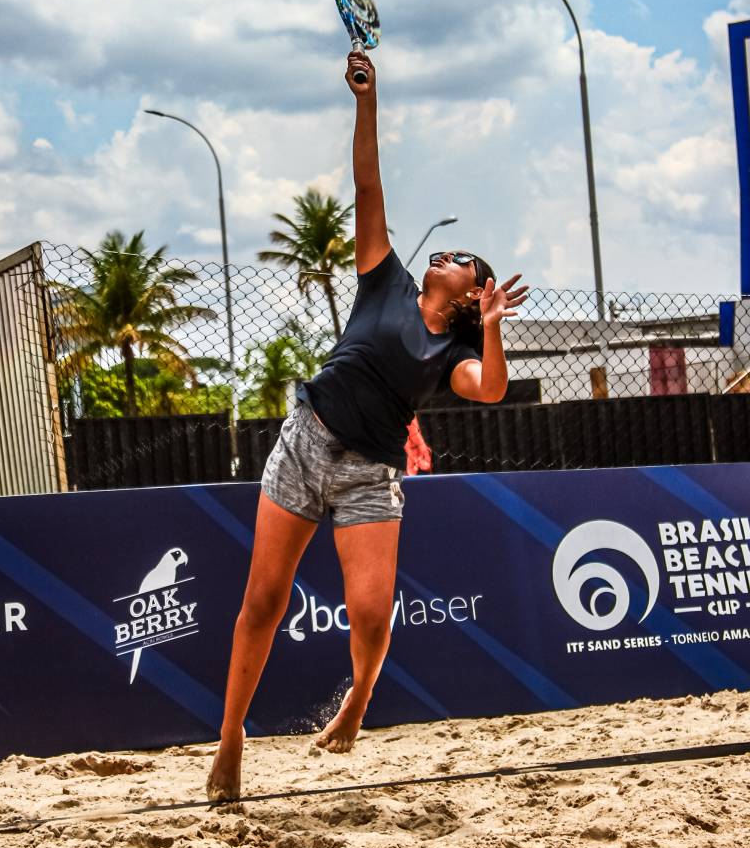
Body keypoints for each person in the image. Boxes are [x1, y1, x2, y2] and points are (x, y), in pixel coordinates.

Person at [206, 49, 528, 801]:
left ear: (472, 290)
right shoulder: (384, 275)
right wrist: (365, 100)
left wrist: (491, 328)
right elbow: (366, 182)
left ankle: (355, 702)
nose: (442, 253)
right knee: (263, 602)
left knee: (373, 618)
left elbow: (488, 391)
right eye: (444, 252)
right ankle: (229, 741)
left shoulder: (454, 347)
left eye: (460, 259)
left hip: (368, 474)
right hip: (306, 441)